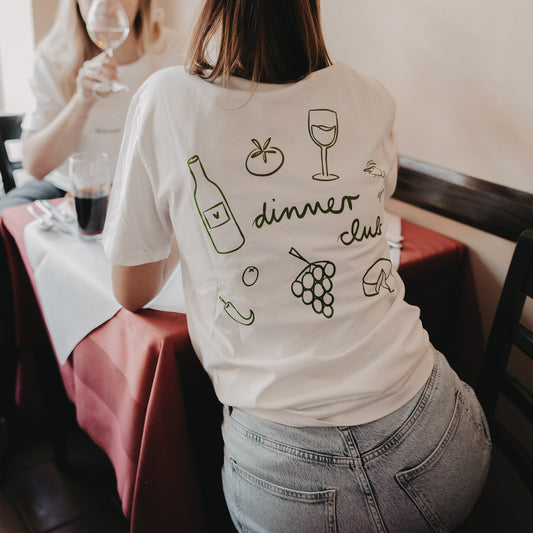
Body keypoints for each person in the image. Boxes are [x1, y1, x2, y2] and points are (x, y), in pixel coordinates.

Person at [103, 1, 492, 531]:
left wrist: (188, 219)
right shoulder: (367, 95)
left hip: (285, 477)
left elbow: (132, 289)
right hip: (437, 439)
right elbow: (369, 205)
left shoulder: (166, 98)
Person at [0, 0, 182, 465]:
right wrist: (81, 99)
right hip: (74, 192)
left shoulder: (170, 50)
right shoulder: (57, 57)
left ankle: (146, 412)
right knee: (7, 223)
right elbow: (36, 162)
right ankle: (25, 399)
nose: (107, 4)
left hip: (149, 195)